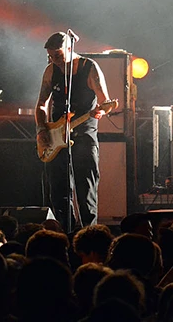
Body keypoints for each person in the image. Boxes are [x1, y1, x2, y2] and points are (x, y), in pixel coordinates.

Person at [35, 31, 112, 231]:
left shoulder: (89, 68)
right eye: (50, 57)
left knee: (85, 190)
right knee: (59, 193)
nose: (54, 61)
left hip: (84, 134)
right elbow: (41, 105)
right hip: (56, 136)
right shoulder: (51, 71)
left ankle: (90, 234)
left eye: (58, 56)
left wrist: (101, 111)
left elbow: (105, 102)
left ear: (70, 49)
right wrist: (41, 129)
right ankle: (64, 235)